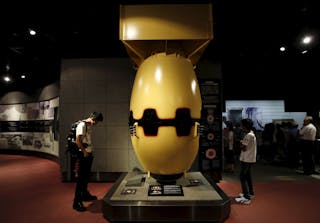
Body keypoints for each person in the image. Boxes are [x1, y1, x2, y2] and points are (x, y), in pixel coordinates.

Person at [72, 112, 103, 212]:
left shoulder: (88, 126)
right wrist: (85, 152)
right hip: (83, 155)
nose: (96, 124)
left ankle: (85, 195)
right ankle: (76, 202)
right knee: (81, 179)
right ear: (94, 119)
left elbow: (86, 140)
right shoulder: (82, 125)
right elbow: (78, 141)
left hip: (88, 154)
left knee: (85, 177)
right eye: (97, 121)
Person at [235, 118, 257, 205]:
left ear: (245, 126)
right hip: (249, 158)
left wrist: (240, 143)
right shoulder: (251, 134)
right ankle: (250, 193)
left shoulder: (248, 135)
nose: (241, 126)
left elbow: (243, 148)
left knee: (242, 177)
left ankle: (246, 197)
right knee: (248, 176)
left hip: (247, 158)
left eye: (242, 125)